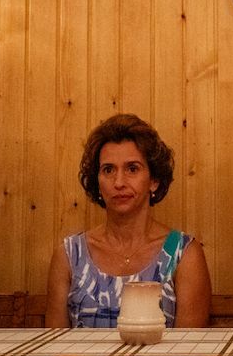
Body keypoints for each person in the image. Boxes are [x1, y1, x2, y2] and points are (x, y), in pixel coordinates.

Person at [45, 114, 211, 328]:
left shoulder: (183, 254)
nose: (119, 182)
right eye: (108, 170)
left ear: (154, 180)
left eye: (132, 169)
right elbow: (54, 343)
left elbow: (190, 345)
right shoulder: (69, 255)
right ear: (97, 182)